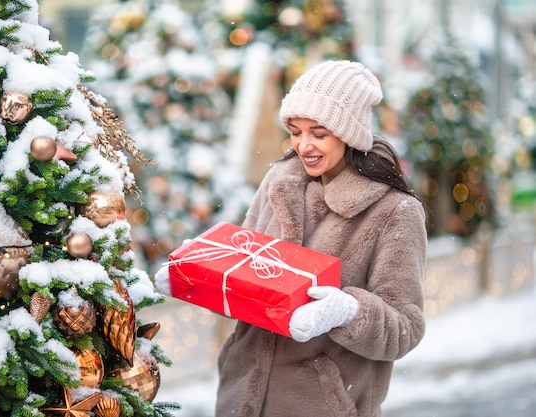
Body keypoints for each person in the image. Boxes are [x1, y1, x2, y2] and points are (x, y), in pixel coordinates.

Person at [157, 60, 427, 417]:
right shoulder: (278, 183)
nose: (303, 146)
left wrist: (347, 311)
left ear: (349, 134)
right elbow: (245, 267)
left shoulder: (395, 212)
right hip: (241, 398)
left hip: (322, 406)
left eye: (319, 133)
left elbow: (405, 328)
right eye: (295, 131)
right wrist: (196, 274)